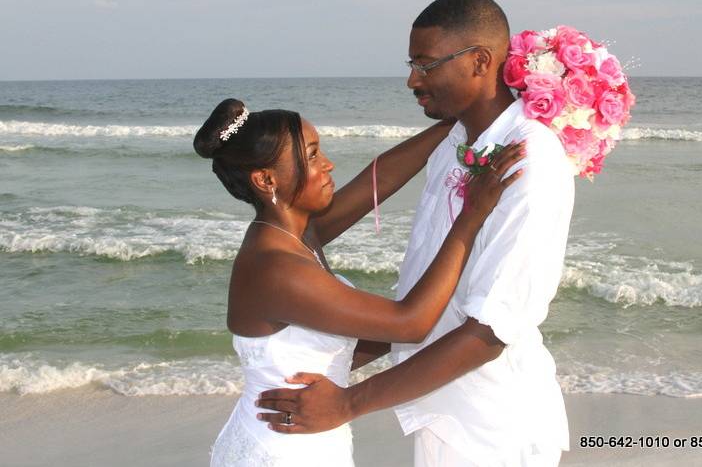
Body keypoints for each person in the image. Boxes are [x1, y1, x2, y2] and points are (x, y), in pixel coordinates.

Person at [256, 0, 575, 466]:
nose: (412, 79)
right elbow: (430, 287)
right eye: (412, 64)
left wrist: (347, 403)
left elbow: (491, 331)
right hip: (443, 414)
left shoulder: (529, 159)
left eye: (426, 65)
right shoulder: (455, 143)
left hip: (492, 426)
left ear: (479, 61)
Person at [193, 98, 525, 466]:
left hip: (306, 437)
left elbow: (377, 180)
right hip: (282, 451)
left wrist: (457, 122)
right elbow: (410, 323)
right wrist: (472, 214)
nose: (328, 164)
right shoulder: (275, 267)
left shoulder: (296, 232)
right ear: (266, 179)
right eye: (314, 155)